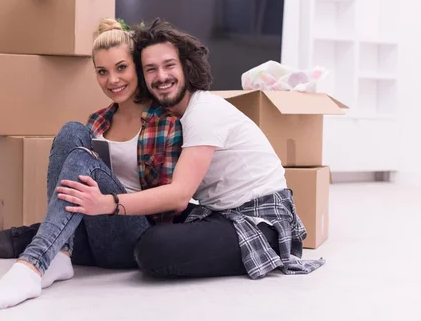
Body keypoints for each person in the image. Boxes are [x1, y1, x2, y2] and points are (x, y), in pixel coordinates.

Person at [54, 18, 325, 279]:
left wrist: (107, 203)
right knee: (143, 229)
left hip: (259, 218)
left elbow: (179, 195)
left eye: (169, 65)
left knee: (153, 247)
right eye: (150, 69)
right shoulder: (168, 118)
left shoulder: (202, 111)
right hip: (217, 213)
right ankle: (42, 241)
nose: (161, 77)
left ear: (187, 67)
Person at [0, 18, 182, 310]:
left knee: (82, 157)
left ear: (138, 66)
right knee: (71, 131)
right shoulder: (97, 121)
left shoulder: (166, 123)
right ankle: (60, 255)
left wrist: (110, 201)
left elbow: (169, 203)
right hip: (88, 234)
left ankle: (33, 264)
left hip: (132, 237)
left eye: (122, 68)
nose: (112, 81)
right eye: (102, 72)